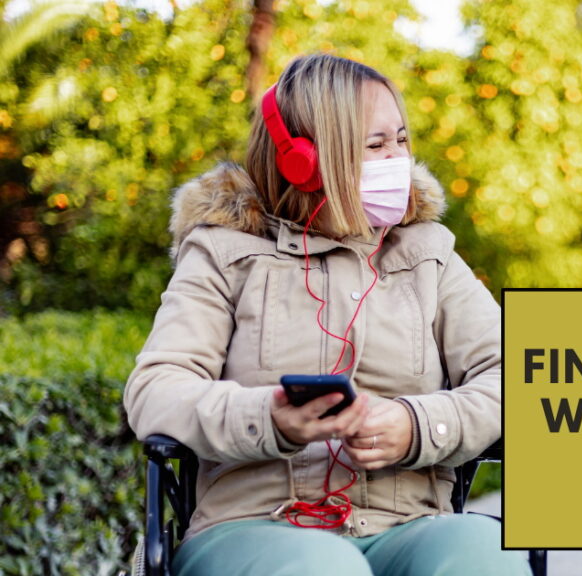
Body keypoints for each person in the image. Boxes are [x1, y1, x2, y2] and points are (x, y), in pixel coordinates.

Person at [124, 54, 528, 576]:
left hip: (406, 525)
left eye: (401, 141)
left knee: (483, 557)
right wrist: (267, 418)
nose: (398, 161)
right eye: (376, 145)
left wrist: (418, 426)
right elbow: (155, 388)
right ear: (304, 160)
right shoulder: (223, 254)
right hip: (254, 527)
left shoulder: (429, 254)